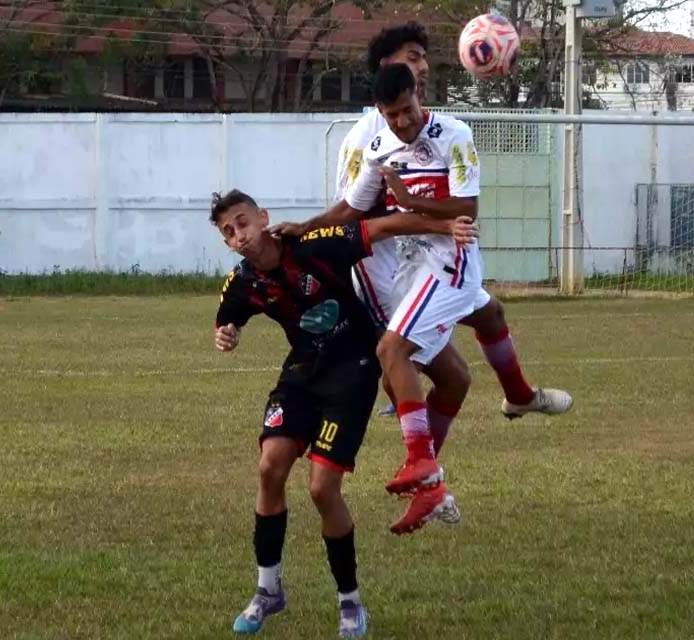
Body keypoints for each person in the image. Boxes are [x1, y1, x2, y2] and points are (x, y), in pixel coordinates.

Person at [275, 22, 572, 425]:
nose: (425, 66)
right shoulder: (369, 136)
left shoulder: (436, 127)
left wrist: (436, 222)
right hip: (384, 271)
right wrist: (311, 230)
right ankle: (420, 461)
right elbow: (352, 212)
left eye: (425, 57)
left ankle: (517, 396)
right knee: (449, 375)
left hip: (428, 259)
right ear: (386, 67)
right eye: (413, 57)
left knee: (491, 315)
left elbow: (458, 200)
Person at [210, 190, 476, 636]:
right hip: (302, 370)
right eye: (229, 232)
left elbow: (384, 226)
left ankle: (349, 601)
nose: (240, 234)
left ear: (264, 218)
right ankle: (268, 591)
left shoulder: (316, 244)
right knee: (270, 468)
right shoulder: (242, 282)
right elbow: (227, 319)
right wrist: (227, 334)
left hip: (353, 369)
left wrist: (444, 226)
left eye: (243, 222)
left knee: (321, 488)